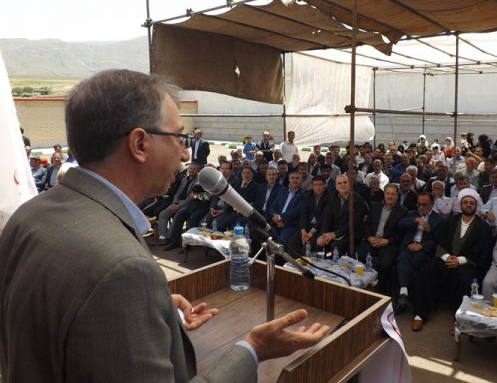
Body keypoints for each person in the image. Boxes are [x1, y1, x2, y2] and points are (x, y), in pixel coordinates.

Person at [0, 69, 329, 383]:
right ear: (139, 144)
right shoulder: (124, 272)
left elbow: (61, 320)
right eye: (179, 137)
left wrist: (146, 309)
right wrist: (254, 350)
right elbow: (106, 284)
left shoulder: (27, 218)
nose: (185, 154)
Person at [410, 189, 493, 332]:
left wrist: (459, 260)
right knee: (425, 273)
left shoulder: (484, 228)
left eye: (471, 203)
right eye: (465, 202)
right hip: (446, 258)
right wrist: (446, 256)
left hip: (468, 263)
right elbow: (439, 242)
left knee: (466, 280)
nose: (468, 205)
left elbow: (483, 252)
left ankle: (459, 321)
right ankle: (419, 315)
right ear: (460, 205)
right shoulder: (450, 221)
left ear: (476, 206)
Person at [395, 192, 444, 313]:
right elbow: (400, 223)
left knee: (413, 261)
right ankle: (404, 293)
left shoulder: (439, 219)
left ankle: (403, 294)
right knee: (403, 257)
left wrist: (422, 245)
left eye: (424, 204)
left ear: (432, 204)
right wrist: (416, 220)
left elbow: (438, 240)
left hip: (424, 249)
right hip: (409, 245)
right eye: (419, 204)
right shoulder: (412, 214)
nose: (421, 207)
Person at [356, 184, 408, 293]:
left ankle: (380, 290)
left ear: (397, 196)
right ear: (384, 194)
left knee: (385, 264)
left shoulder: (403, 211)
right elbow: (367, 225)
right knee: (356, 255)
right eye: (388, 193)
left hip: (388, 244)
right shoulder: (374, 206)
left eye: (392, 194)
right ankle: (360, 284)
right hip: (372, 241)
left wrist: (388, 241)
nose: (390, 196)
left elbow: (401, 234)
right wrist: (369, 237)